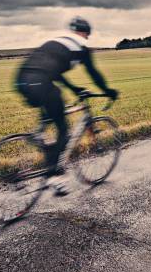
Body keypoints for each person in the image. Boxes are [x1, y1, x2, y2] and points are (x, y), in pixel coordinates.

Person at [15, 16, 119, 194]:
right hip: (41, 82)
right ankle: (54, 176)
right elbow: (93, 73)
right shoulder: (81, 48)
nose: (85, 37)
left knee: (50, 116)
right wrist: (108, 90)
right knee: (63, 129)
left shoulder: (58, 42)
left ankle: (41, 143)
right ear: (85, 33)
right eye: (86, 35)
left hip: (22, 80)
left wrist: (74, 88)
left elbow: (52, 71)